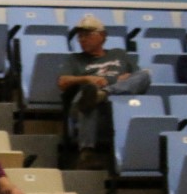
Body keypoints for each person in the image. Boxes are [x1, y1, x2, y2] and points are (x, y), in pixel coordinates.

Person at [57, 15, 151, 170]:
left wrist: (114, 83)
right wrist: (87, 78)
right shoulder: (74, 59)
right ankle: (86, 153)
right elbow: (62, 82)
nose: (82, 40)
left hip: (117, 103)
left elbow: (136, 78)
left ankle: (104, 93)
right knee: (89, 94)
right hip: (85, 102)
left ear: (102, 36)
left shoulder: (119, 54)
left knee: (145, 75)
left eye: (87, 35)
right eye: (80, 36)